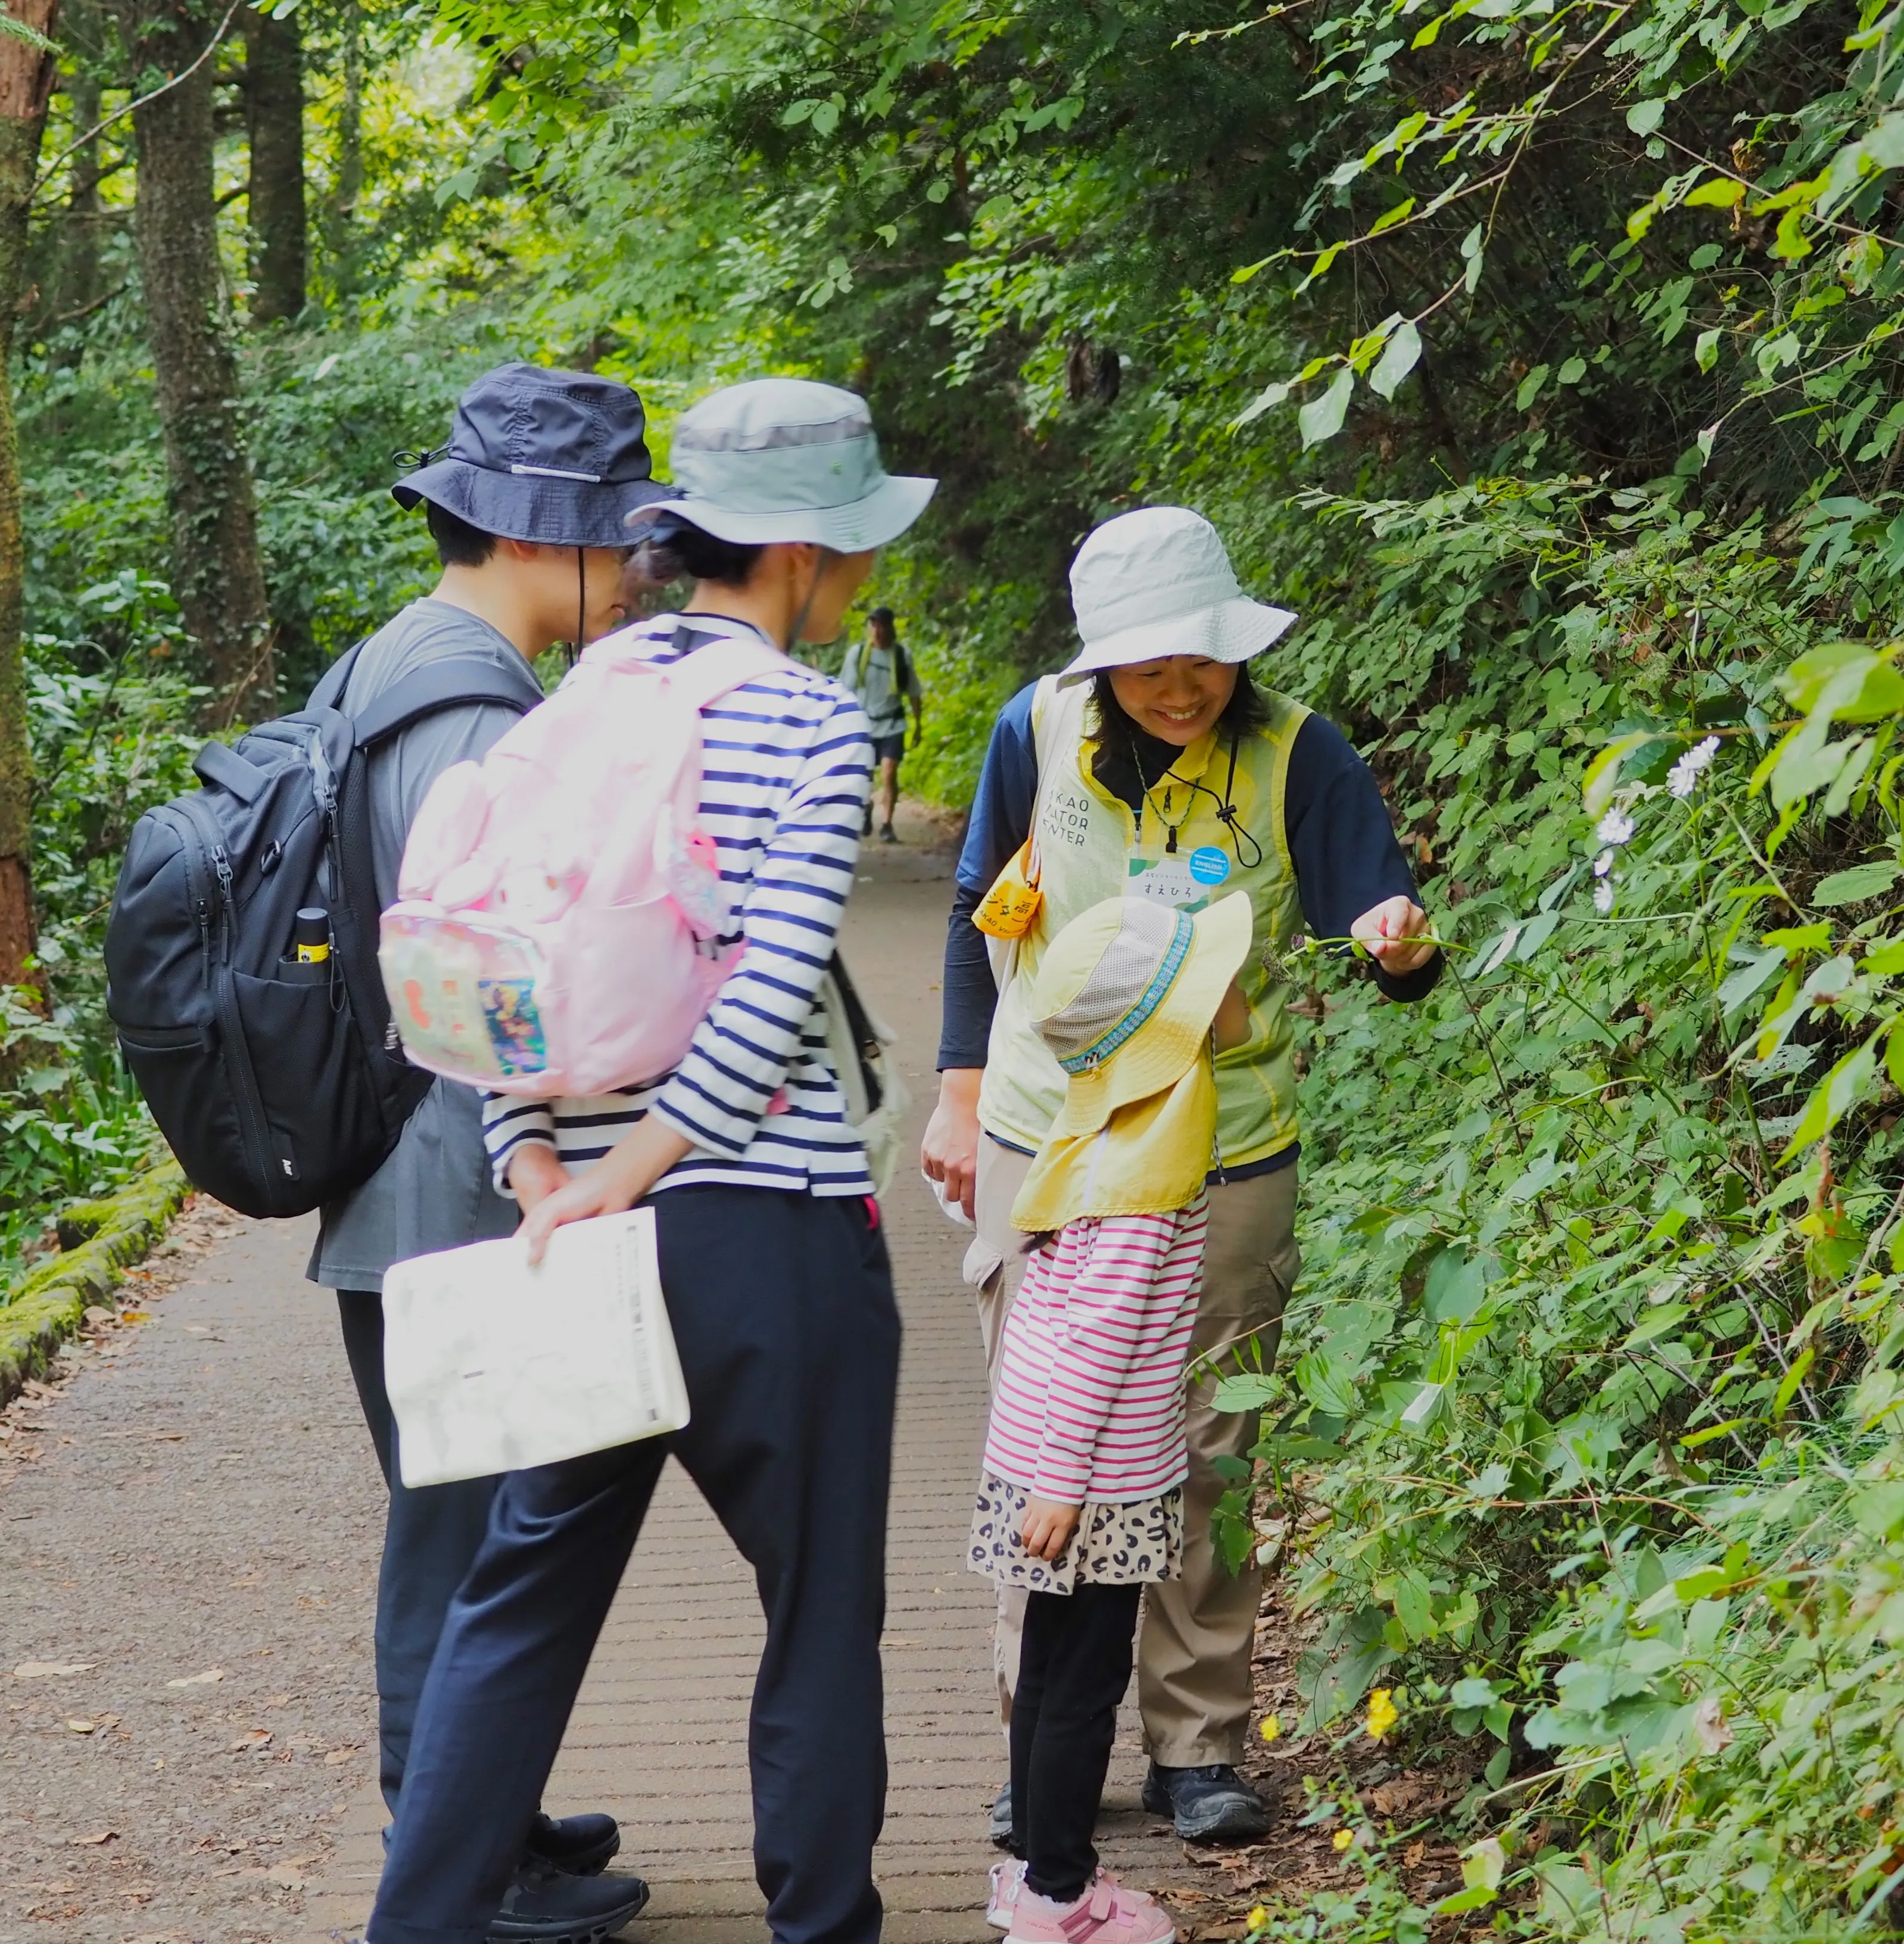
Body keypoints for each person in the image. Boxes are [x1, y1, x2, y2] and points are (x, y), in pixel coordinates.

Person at [362, 376, 933, 1944]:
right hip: (774, 1230)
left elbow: (497, 957)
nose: (862, 576)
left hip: (588, 1240)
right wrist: (655, 1163)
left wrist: (543, 1168)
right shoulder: (815, 722)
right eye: (857, 548)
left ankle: (419, 1928)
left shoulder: (581, 701)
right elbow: (774, 988)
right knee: (818, 1613)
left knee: (520, 1604)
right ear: (804, 557)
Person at [920, 506, 1442, 1848]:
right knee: (1047, 1441)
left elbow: (1382, 921)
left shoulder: (1297, 750)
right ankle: (1040, 1745)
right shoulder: (1036, 728)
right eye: (1147, 664)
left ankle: (1196, 1744)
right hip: (1047, 1135)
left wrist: (1397, 944)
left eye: (1200, 658)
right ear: (1101, 665)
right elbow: (980, 901)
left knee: (1208, 1445)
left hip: (1225, 1144)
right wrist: (958, 1085)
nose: (1178, 686)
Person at [311, 361, 660, 1932]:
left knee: (468, 1522)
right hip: (450, 1182)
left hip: (409, 1177)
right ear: (535, 535)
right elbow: (479, 979)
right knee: (458, 1538)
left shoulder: (399, 660)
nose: (636, 572)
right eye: (616, 540)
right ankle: (454, 1867)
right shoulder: (470, 708)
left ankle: (487, 1818)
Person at [971, 890, 1257, 1944]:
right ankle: (1061, 1897)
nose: (1241, 983)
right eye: (1216, 977)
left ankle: (1030, 1878)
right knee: (1083, 1681)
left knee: (1049, 1664)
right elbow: (1099, 1336)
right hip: (1094, 1474)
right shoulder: (1149, 1170)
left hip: (1048, 1448)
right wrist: (1063, 1482)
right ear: (1170, 1025)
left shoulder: (1102, 1130)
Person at [841, 605, 924, 842]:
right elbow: (845, 689)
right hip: (864, 723)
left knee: (889, 773)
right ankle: (866, 807)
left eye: (882, 626)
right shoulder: (858, 655)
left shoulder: (901, 656)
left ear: (890, 628)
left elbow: (914, 692)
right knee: (864, 775)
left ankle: (887, 823)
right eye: (874, 625)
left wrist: (918, 725)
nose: (878, 631)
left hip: (892, 723)